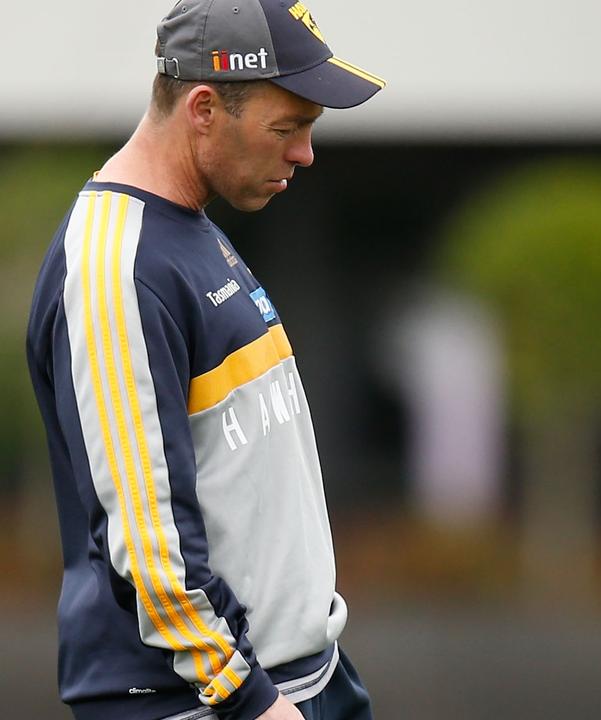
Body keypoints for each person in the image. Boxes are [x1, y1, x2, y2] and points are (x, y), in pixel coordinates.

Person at [25, 2, 385, 718]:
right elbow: (151, 542)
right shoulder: (117, 265)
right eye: (288, 128)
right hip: (203, 701)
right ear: (202, 109)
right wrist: (251, 700)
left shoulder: (184, 226)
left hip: (294, 675)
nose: (305, 153)